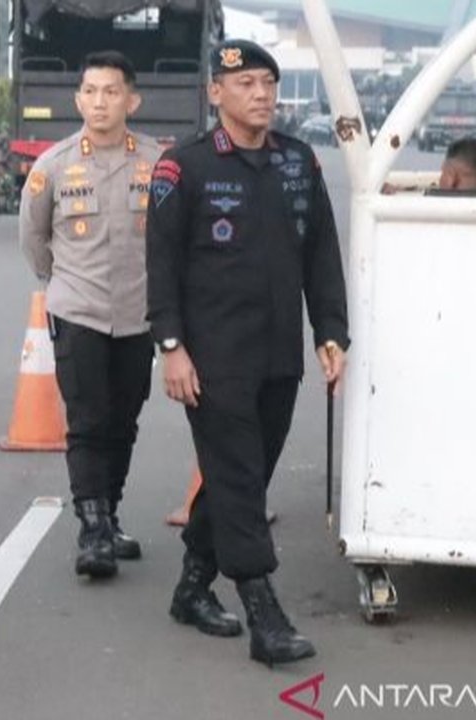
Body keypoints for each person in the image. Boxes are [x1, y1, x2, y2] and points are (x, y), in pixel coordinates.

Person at [146, 40, 349, 667]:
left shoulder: (298, 162)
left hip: (279, 355)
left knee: (247, 473)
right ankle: (265, 612)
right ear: (216, 94)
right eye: (245, 85)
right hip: (213, 358)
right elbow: (162, 266)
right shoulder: (185, 167)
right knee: (237, 475)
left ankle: (190, 588)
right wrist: (172, 348)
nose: (260, 95)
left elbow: (321, 255)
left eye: (268, 83)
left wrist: (330, 332)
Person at [18, 51, 162, 579]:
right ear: (78, 99)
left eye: (111, 91)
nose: (100, 102)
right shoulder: (52, 165)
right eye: (91, 92)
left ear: (132, 100)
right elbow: (34, 240)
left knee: (124, 420)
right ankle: (93, 527)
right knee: (87, 420)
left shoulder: (157, 162)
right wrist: (61, 285)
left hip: (138, 314)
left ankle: (111, 513)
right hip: (77, 309)